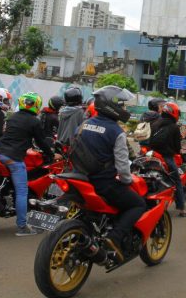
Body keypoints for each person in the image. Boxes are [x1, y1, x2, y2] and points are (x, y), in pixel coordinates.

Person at [71, 86, 146, 262]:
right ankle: (114, 238)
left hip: (79, 178)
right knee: (138, 204)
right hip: (102, 184)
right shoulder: (116, 132)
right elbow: (122, 167)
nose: (124, 108)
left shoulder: (83, 125)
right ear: (112, 106)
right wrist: (127, 181)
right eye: (122, 105)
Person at [0, 92, 58, 236]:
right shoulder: (34, 121)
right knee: (22, 192)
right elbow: (41, 141)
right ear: (36, 105)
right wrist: (51, 154)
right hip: (13, 157)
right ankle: (22, 227)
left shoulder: (12, 117)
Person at [148, 102, 186, 217]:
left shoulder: (155, 123)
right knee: (177, 181)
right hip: (167, 158)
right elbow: (177, 147)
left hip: (153, 156)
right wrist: (177, 151)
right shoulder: (174, 127)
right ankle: (181, 209)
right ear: (174, 113)